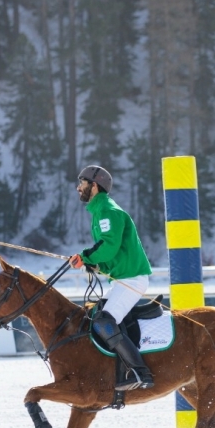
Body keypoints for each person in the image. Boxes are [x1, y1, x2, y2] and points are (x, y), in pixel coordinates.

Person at [70, 165, 154, 391]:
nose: (79, 187)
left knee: (104, 321)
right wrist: (92, 263)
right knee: (95, 316)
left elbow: (108, 246)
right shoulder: (99, 211)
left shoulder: (107, 211)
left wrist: (86, 256)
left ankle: (139, 372)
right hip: (122, 278)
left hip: (132, 279)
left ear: (94, 186)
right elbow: (110, 254)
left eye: (82, 183)